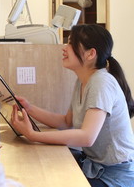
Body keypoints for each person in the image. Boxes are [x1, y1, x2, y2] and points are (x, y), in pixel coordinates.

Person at [11, 24, 134, 187]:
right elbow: (66, 121)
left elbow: (86, 137)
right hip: (95, 166)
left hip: (114, 177)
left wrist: (33, 135)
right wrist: (30, 109)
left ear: (91, 54)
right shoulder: (83, 80)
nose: (65, 48)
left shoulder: (101, 82)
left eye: (71, 43)